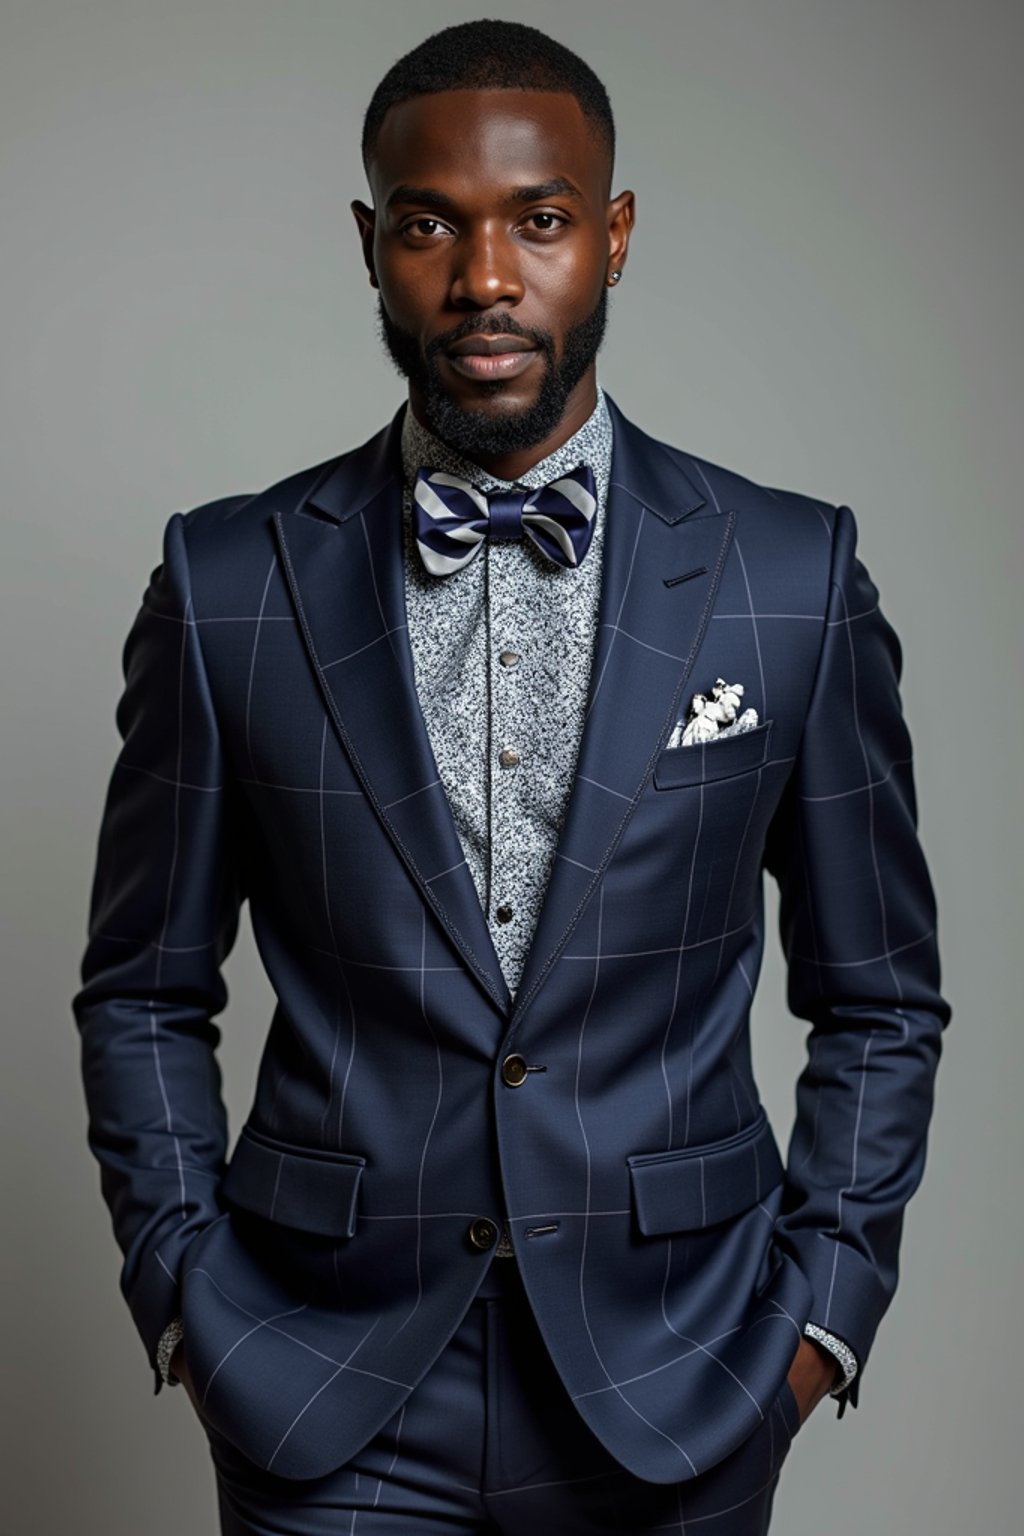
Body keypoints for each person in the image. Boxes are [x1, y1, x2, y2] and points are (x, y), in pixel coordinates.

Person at [73, 19, 949, 1535]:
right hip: (323, 1384)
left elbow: (877, 997)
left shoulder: (790, 577)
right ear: (370, 244)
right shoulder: (227, 583)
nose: (485, 278)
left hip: (681, 1378)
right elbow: (143, 988)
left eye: (540, 221)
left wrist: (822, 1320)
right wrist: (182, 1292)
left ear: (610, 237)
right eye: (431, 225)